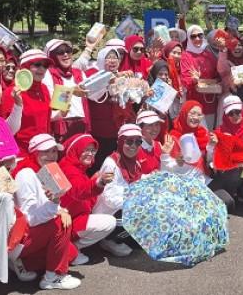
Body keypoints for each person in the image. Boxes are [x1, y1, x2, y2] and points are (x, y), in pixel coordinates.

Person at [10, 134, 81, 290]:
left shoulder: (48, 172)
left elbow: (52, 205)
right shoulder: (26, 174)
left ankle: (23, 263)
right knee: (60, 224)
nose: (51, 155)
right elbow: (29, 218)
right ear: (34, 153)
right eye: (45, 151)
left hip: (35, 233)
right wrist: (55, 205)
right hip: (21, 236)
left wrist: (60, 209)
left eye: (54, 151)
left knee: (72, 254)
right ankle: (53, 277)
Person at [57, 134, 118, 265]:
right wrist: (98, 182)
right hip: (67, 222)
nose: (90, 154)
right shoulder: (69, 169)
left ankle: (69, 247)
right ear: (75, 150)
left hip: (73, 218)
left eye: (93, 150)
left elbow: (85, 199)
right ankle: (69, 247)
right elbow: (78, 191)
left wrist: (93, 181)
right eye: (85, 150)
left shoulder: (78, 168)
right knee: (109, 222)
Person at [93, 124, 148, 257]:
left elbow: (137, 184)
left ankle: (126, 237)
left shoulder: (135, 163)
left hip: (125, 207)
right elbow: (109, 198)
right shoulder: (111, 164)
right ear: (120, 142)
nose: (133, 146)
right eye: (129, 141)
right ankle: (107, 239)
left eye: (138, 142)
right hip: (109, 212)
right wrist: (135, 203)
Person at [85, 38, 132, 171]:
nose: (112, 61)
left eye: (115, 58)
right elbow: (91, 93)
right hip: (98, 131)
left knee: (112, 165)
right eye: (108, 57)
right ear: (101, 59)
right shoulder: (92, 74)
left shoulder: (121, 77)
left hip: (115, 130)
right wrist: (110, 79)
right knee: (96, 165)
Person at [43, 39, 90, 140]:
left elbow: (92, 94)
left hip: (82, 123)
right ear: (52, 57)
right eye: (60, 52)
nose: (65, 54)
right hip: (62, 126)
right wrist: (71, 91)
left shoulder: (79, 73)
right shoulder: (47, 74)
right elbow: (54, 104)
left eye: (68, 51)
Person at [180, 25, 220, 129]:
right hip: (195, 100)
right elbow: (185, 79)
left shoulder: (208, 54)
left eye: (200, 35)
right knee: (197, 132)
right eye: (193, 36)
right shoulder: (186, 56)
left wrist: (217, 81)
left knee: (209, 131)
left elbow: (217, 73)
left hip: (210, 101)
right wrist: (194, 80)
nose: (197, 39)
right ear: (189, 38)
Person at [16, 50, 56, 152]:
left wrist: (62, 113)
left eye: (45, 66)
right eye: (37, 65)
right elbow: (7, 130)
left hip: (43, 150)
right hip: (22, 151)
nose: (42, 69)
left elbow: (45, 119)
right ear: (25, 67)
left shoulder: (44, 89)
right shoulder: (14, 92)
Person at [135, 109, 165, 174]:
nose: (155, 129)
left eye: (157, 124)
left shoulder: (158, 145)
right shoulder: (134, 149)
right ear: (140, 128)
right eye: (150, 125)